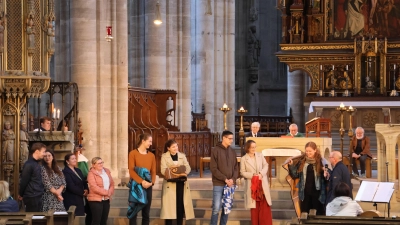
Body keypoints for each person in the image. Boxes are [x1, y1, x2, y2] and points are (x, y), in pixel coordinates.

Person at [287, 141, 328, 215]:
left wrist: (325, 173)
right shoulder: (302, 161)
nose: (308, 153)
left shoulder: (322, 161)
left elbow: (327, 176)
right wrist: (292, 166)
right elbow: (295, 175)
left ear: (315, 150)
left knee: (317, 213)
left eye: (310, 151)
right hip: (305, 192)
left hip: (317, 193)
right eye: (306, 151)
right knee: (305, 212)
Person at [160, 139, 194, 225]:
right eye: (173, 147)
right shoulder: (164, 156)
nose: (176, 148)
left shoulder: (182, 156)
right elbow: (163, 170)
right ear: (168, 148)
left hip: (181, 183)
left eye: (176, 146)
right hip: (170, 184)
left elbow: (188, 167)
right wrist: (174, 169)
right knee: (169, 208)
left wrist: (183, 171)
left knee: (180, 205)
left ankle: (179, 223)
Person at [240, 140, 272, 225]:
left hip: (262, 184)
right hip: (252, 186)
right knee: (254, 209)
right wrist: (253, 175)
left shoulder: (260, 155)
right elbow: (242, 172)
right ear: (248, 148)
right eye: (252, 147)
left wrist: (261, 174)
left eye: (255, 147)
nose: (254, 149)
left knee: (264, 208)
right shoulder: (244, 159)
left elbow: (266, 165)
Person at [210, 130, 238, 225]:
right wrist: (225, 179)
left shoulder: (232, 151)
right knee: (216, 208)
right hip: (218, 183)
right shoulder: (215, 150)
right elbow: (213, 169)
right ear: (223, 138)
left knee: (226, 209)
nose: (231, 141)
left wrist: (233, 179)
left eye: (232, 139)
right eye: (230, 139)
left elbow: (236, 168)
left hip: (230, 185)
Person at [128, 133, 156, 225]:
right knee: (133, 213)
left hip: (148, 186)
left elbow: (153, 171)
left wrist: (151, 183)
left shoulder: (151, 155)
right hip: (136, 185)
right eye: (149, 141)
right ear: (143, 141)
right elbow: (131, 171)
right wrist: (141, 181)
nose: (151, 143)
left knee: (146, 213)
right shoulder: (133, 153)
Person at [19, 142, 46, 212]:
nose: (44, 154)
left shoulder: (36, 163)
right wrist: (21, 194)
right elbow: (24, 180)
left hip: (37, 194)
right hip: (32, 196)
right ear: (37, 151)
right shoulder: (29, 164)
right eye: (43, 152)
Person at [87, 157, 115, 225]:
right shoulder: (91, 174)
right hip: (95, 200)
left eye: (102, 162)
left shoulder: (106, 171)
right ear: (93, 165)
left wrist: (110, 192)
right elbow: (94, 187)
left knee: (104, 221)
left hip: (106, 199)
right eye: (99, 163)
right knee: (96, 221)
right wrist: (107, 192)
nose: (101, 164)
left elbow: (112, 183)